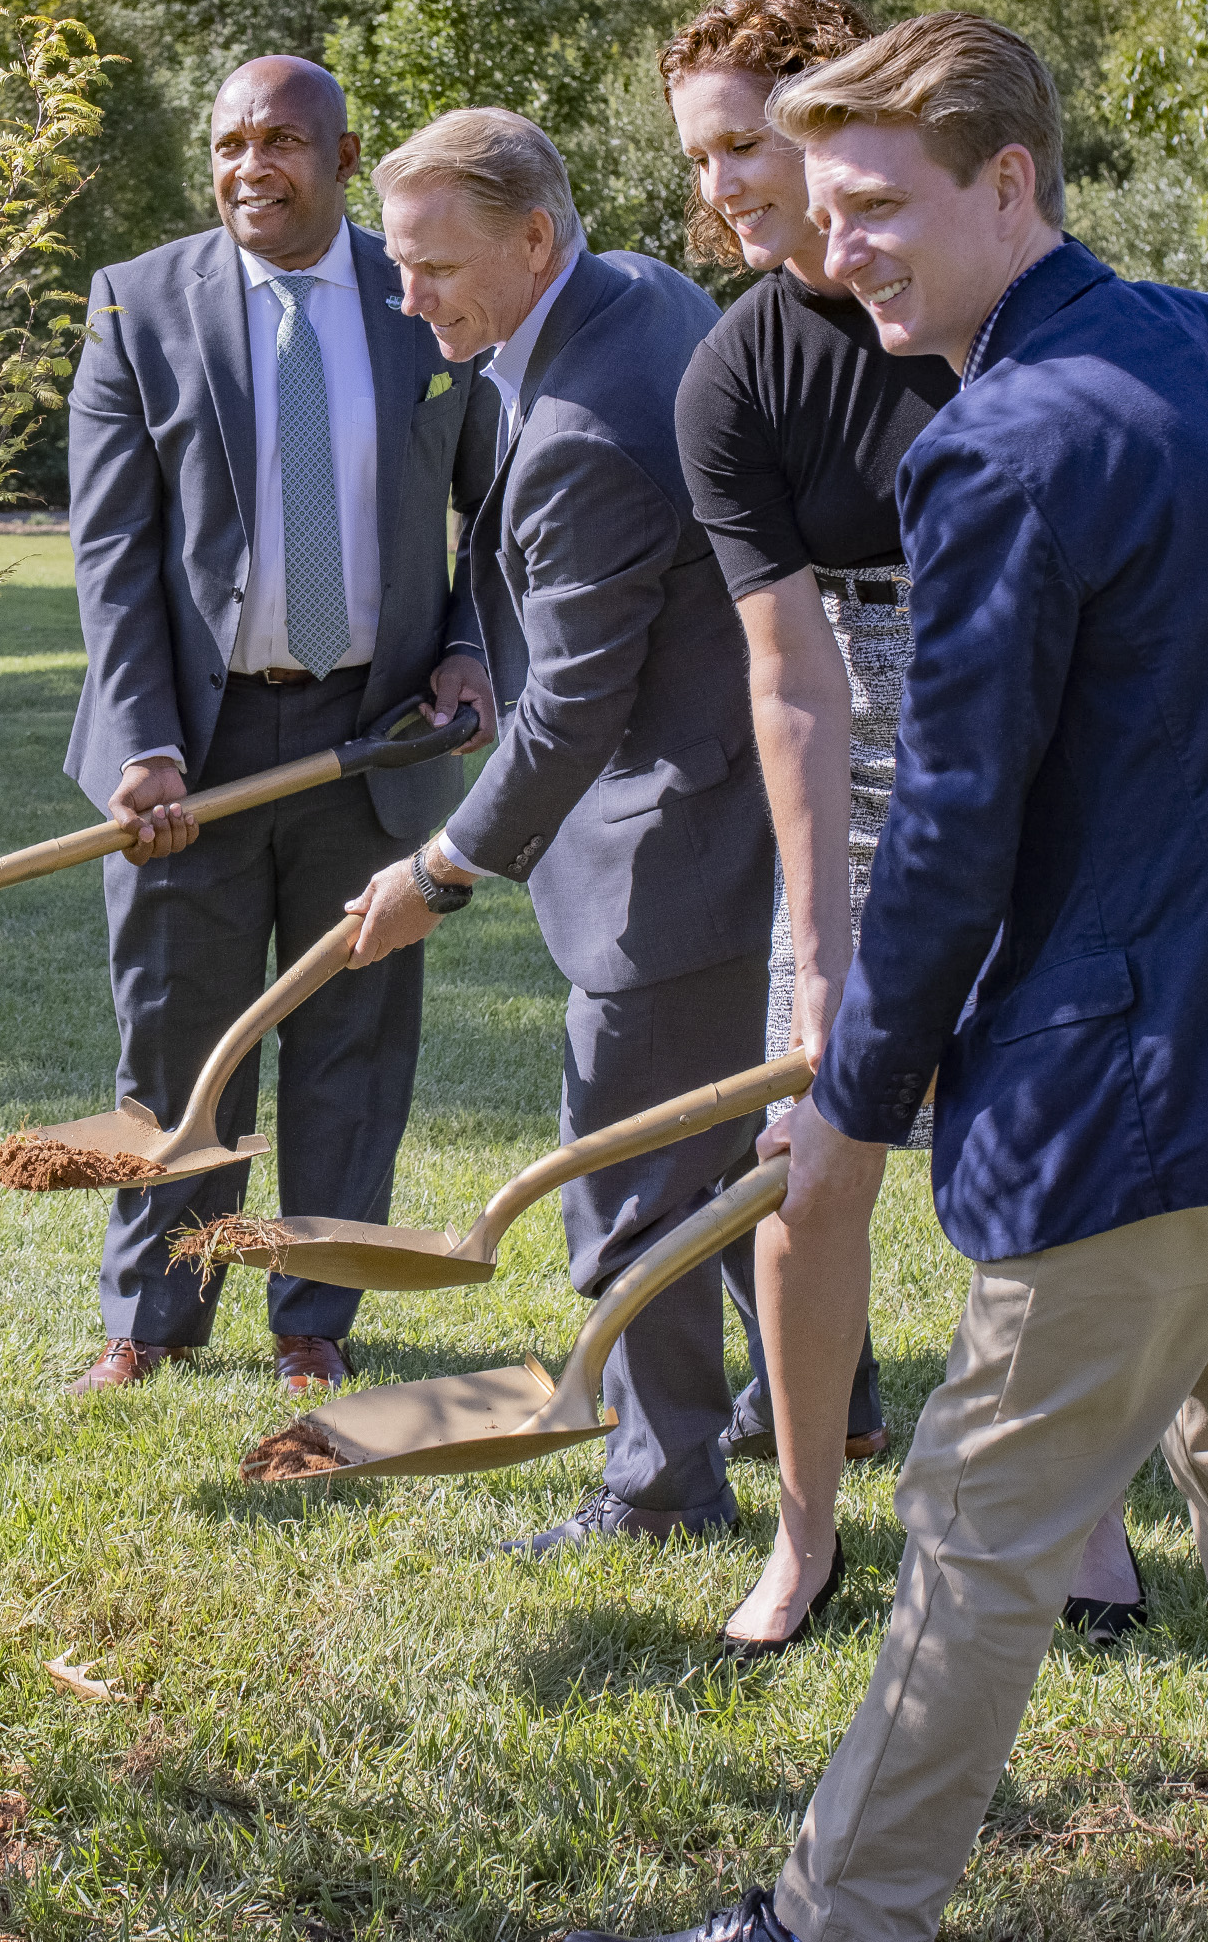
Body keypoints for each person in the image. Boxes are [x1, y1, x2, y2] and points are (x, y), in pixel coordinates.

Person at [574, 15, 1208, 1942]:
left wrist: (851, 1115)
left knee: (984, 1513)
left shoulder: (1003, 444)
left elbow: (945, 830)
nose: (843, 248)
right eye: (826, 206)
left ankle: (836, 1918)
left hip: (1166, 1084)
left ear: (1008, 183)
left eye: (880, 205)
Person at [663, 0, 1145, 1656]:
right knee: (811, 1173)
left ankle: (1083, 1516)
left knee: (1049, 1167)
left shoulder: (997, 317)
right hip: (862, 795)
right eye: (705, 157)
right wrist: (823, 943)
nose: (727, 185)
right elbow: (789, 678)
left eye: (746, 143)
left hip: (1050, 783)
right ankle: (806, 1531)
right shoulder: (737, 374)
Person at [341, 109, 777, 1556]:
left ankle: (662, 1494)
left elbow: (575, 709)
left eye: (434, 270)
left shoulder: (587, 427)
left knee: (632, 1183)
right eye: (399, 270)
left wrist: (441, 868)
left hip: (682, 847)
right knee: (722, 1163)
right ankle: (809, 1401)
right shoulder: (636, 288)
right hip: (725, 801)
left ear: (535, 240)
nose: (410, 303)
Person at [63, 53, 503, 1396]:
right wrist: (143, 741)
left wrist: (475, 652)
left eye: (284, 143)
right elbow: (112, 548)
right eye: (230, 144)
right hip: (185, 757)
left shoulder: (421, 297)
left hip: (370, 746)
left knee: (352, 1040)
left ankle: (316, 1315)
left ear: (344, 154)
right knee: (175, 1034)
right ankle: (152, 1321)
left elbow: (497, 508)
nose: (253, 167)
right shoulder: (139, 306)